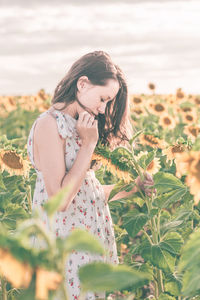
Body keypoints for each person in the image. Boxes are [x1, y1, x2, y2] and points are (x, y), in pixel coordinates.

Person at [27, 50, 154, 300]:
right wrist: (88, 145)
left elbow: (86, 192)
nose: (103, 107)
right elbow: (60, 200)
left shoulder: (80, 125)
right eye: (103, 98)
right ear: (82, 83)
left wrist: (134, 187)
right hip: (65, 249)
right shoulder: (49, 125)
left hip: (89, 242)